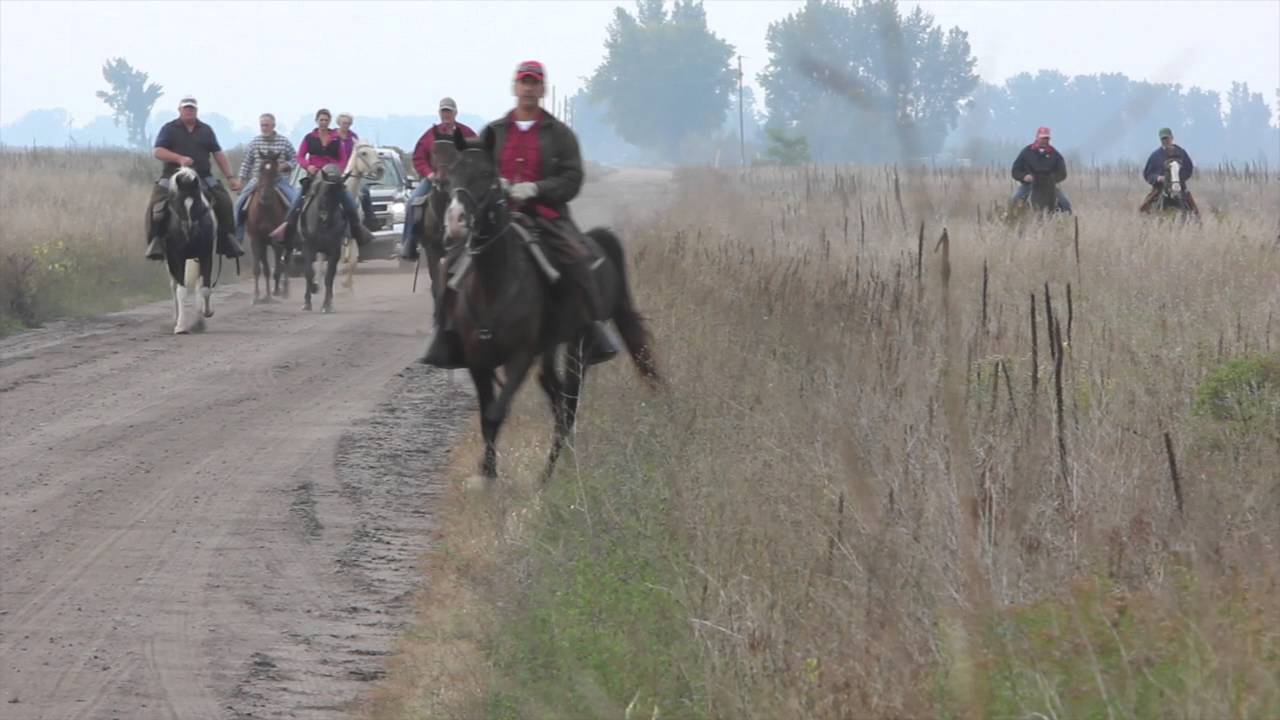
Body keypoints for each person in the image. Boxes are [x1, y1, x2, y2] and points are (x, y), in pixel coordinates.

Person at [420, 60, 620, 368]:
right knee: (449, 263)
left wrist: (537, 188)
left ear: (542, 89)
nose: (528, 88)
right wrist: (489, 185)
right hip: (497, 216)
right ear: (515, 88)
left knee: (578, 258)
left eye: (534, 82)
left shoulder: (560, 134)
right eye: (523, 82)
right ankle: (445, 335)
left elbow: (572, 177)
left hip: (546, 215)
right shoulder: (494, 132)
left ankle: (591, 331)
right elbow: (470, 170)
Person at [144, 96, 244, 260]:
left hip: (202, 176)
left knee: (224, 201)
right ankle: (156, 242)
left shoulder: (206, 130)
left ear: (196, 110)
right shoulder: (169, 128)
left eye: (192, 108)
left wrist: (230, 177)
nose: (189, 111)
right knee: (155, 204)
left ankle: (227, 241)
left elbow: (218, 154)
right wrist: (179, 159)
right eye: (186, 108)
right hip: (173, 175)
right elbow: (158, 151)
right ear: (180, 110)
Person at [271, 108, 371, 245]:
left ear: (330, 121)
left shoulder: (336, 139)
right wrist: (308, 166)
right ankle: (287, 230)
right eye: (321, 120)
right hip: (314, 176)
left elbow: (342, 158)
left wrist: (338, 170)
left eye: (326, 120)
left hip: (332, 176)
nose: (323, 122)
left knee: (349, 202)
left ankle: (358, 230)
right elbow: (299, 156)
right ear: (317, 121)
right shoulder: (309, 137)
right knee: (296, 201)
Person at [400, 96, 476, 260]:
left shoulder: (467, 133)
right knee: (413, 203)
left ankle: (479, 241)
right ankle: (409, 244)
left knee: (478, 203)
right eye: (443, 111)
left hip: (459, 181)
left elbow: (476, 156)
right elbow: (418, 157)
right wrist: (429, 173)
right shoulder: (429, 135)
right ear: (439, 113)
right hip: (434, 178)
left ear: (455, 112)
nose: (446, 115)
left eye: (449, 111)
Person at [232, 113, 298, 246]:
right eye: (262, 125)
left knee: (296, 203)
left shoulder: (284, 142)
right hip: (257, 180)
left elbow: (295, 158)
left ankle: (296, 238)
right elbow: (247, 162)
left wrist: (286, 165)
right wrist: (240, 179)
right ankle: (237, 239)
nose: (264, 128)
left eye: (267, 125)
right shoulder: (255, 142)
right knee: (238, 205)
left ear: (273, 126)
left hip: (279, 181)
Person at [1009, 126, 1072, 213]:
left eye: (1047, 138)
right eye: (1043, 138)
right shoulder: (1026, 152)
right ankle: (1014, 218)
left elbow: (1062, 173)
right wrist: (1024, 177)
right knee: (1014, 200)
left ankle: (1064, 220)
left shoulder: (1055, 154)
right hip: (1029, 185)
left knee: (1065, 204)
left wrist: (1051, 179)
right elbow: (1015, 170)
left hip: (1049, 186)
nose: (1045, 140)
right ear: (1037, 137)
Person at [335, 112, 378, 229]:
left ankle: (370, 219)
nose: (346, 125)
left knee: (364, 190)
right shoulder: (333, 136)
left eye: (348, 123)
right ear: (339, 123)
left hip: (351, 171)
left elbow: (359, 155)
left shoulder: (354, 138)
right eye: (344, 123)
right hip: (335, 171)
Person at [1140, 127, 1197, 213]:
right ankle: (1142, 221)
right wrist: (1158, 178)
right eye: (1163, 139)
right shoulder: (1155, 156)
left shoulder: (1181, 152)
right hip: (1160, 187)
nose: (1165, 140)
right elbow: (1148, 173)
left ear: (1172, 137)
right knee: (1144, 207)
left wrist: (1178, 178)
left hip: (1180, 187)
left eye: (1167, 138)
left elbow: (1189, 168)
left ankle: (1197, 221)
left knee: (1193, 208)